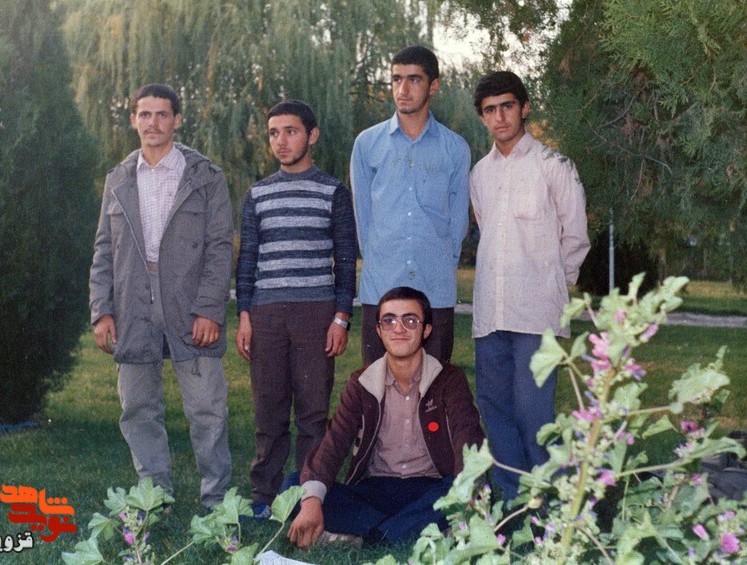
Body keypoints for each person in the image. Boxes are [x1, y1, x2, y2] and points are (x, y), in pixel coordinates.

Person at [89, 83, 234, 508]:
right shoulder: (118, 179)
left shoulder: (205, 176)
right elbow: (103, 249)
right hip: (131, 302)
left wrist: (210, 309)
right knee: (138, 408)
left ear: (177, 120)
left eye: (162, 114)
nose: (153, 123)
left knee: (207, 408)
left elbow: (220, 247)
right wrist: (101, 310)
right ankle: (154, 498)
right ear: (133, 119)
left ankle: (216, 502)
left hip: (189, 301)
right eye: (145, 114)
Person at [469, 71, 591, 502]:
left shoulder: (554, 166)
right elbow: (487, 231)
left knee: (534, 413)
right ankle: (513, 499)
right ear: (482, 117)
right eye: (490, 110)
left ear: (524, 108)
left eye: (507, 106)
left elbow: (575, 238)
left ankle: (547, 501)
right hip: (491, 312)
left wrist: (554, 288)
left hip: (537, 313)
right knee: (495, 409)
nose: (499, 117)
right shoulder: (480, 174)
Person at [287, 287, 484, 548]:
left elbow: (467, 437)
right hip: (374, 492)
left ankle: (369, 537)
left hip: (431, 490)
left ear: (426, 330)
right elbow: (333, 442)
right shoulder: (362, 382)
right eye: (389, 320)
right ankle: (406, 531)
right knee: (294, 488)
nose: (398, 328)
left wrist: (466, 489)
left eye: (410, 320)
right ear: (379, 331)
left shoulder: (448, 378)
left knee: (465, 491)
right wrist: (312, 502)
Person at [235, 99, 357, 518]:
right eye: (274, 133)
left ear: (312, 135)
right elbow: (247, 260)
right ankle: (264, 497)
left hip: (316, 312)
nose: (281, 141)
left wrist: (341, 317)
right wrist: (245, 315)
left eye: (291, 131)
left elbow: (345, 260)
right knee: (268, 410)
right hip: (266, 313)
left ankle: (309, 495)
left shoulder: (333, 192)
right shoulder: (258, 194)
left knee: (313, 411)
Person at [351, 45, 471, 366]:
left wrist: (440, 264)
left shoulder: (455, 149)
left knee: (433, 388)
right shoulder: (367, 144)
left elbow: (457, 221)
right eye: (396, 79)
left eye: (414, 79)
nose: (402, 89)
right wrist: (379, 261)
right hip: (381, 288)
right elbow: (363, 218)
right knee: (377, 388)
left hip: (435, 291)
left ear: (434, 85)